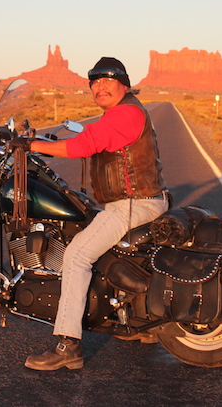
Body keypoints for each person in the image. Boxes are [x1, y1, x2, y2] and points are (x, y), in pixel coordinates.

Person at [24, 57, 169, 371]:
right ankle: (138, 325)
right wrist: (49, 142)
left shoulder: (126, 113)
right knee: (95, 242)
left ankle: (68, 344)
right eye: (94, 82)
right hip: (136, 201)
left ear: (124, 84)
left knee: (76, 255)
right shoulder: (124, 110)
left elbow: (84, 145)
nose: (100, 87)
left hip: (135, 203)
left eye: (108, 80)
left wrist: (32, 145)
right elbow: (88, 138)